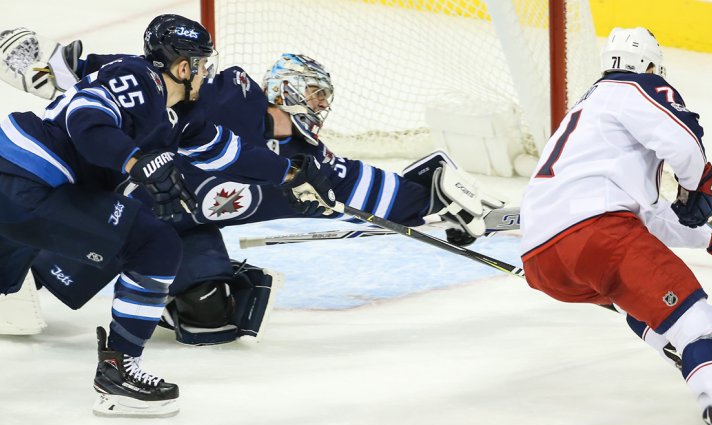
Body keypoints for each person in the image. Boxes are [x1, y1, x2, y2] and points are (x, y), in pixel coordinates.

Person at [0, 33, 505, 345]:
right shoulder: (228, 96)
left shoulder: (294, 156)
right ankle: (28, 279)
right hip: (114, 196)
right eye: (310, 94)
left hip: (175, 221)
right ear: (283, 89)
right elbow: (131, 80)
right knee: (56, 240)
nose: (317, 106)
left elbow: (342, 179)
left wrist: (426, 202)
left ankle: (153, 294)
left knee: (214, 319)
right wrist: (52, 72)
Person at [0, 17, 336, 417]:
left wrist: (292, 176)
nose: (206, 72)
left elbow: (228, 153)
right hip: (28, 179)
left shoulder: (177, 117)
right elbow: (86, 118)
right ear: (183, 67)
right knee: (154, 244)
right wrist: (135, 160)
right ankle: (119, 371)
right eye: (202, 64)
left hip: (25, 187)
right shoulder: (138, 78)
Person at [519, 27, 712, 425]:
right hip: (595, 234)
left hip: (542, 259)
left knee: (634, 299)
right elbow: (684, 141)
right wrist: (697, 186)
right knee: (698, 320)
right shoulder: (634, 87)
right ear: (651, 67)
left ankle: (689, 359)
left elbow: (645, 214)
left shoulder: (588, 118)